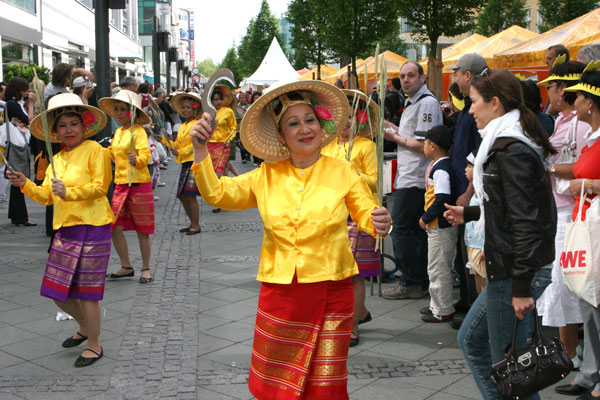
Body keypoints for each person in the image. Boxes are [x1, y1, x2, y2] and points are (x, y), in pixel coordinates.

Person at [190, 80, 392, 399]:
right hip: (281, 292)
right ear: (281, 135)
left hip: (332, 290)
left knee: (325, 386)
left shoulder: (343, 171)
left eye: (310, 119)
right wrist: (200, 151)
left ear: (321, 123)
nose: (304, 129)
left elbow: (366, 211)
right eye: (293, 123)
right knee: (278, 385)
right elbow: (217, 194)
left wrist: (378, 221)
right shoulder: (265, 175)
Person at [444, 69, 557, 400]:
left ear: (494, 104)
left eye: (474, 102)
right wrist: (471, 212)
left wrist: (521, 286)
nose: (470, 110)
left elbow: (526, 220)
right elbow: (512, 207)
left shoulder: (510, 148)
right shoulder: (506, 141)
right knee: (484, 349)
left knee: (511, 368)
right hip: (509, 268)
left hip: (513, 272)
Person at [7, 93, 111, 367]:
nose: (68, 130)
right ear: (55, 131)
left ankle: (94, 344)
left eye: (73, 124)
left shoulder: (95, 151)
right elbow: (46, 196)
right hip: (65, 230)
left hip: (93, 226)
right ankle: (86, 326)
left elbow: (100, 187)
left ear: (84, 125)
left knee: (86, 292)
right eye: (62, 125)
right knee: (56, 291)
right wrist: (25, 183)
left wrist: (70, 190)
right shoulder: (56, 159)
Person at [536, 60, 588, 370]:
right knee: (560, 282)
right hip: (560, 209)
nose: (550, 92)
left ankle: (571, 352)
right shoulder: (560, 121)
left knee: (564, 282)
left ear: (563, 90)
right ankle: (568, 350)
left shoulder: (580, 126)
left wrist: (549, 167)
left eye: (552, 87)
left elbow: (583, 168)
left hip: (572, 212)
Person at [555, 65, 600, 400]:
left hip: (595, 226)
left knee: (595, 302)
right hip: (585, 226)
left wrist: (585, 183)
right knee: (587, 300)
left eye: (581, 96)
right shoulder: (591, 138)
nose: (575, 100)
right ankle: (589, 372)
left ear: (592, 103)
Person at [321, 89, 379, 346]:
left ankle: (353, 325)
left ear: (360, 119)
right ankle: (360, 312)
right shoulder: (328, 147)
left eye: (350, 117)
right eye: (340, 117)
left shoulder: (367, 146)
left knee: (354, 274)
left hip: (357, 215)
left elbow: (376, 182)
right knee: (334, 273)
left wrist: (351, 172)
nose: (345, 122)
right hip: (331, 216)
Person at [383, 61, 443, 300]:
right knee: (412, 230)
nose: (406, 80)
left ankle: (412, 280)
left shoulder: (426, 103)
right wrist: (391, 128)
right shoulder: (413, 102)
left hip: (417, 177)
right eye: (403, 76)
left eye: (411, 76)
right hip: (410, 176)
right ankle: (417, 278)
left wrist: (396, 137)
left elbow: (425, 143)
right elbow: (410, 135)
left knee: (401, 228)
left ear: (422, 77)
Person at [446, 53, 487, 320]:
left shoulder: (479, 108)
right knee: (466, 255)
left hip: (472, 194)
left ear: (468, 75)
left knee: (475, 257)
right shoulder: (466, 107)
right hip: (464, 188)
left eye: (456, 72)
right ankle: (468, 303)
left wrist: (468, 191)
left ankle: (476, 308)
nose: (453, 77)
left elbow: (479, 153)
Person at [99, 90, 154, 284]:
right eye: (116, 109)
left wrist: (137, 159)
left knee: (143, 230)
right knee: (114, 227)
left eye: (123, 109)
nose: (119, 113)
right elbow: (111, 154)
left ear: (133, 113)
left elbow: (146, 156)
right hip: (121, 184)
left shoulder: (138, 131)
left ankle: (146, 268)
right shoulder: (118, 132)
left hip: (139, 184)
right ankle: (126, 265)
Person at [417, 125, 458, 323]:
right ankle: (436, 305)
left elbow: (442, 198)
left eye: (424, 142)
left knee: (438, 267)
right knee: (436, 265)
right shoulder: (442, 165)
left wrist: (426, 217)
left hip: (440, 225)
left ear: (432, 146)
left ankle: (442, 309)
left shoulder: (441, 168)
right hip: (439, 225)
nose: (423, 146)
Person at [168, 91, 203, 235]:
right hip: (185, 163)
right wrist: (164, 140)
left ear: (194, 109)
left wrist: (180, 152)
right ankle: (192, 223)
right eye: (183, 107)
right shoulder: (183, 126)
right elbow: (177, 144)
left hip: (194, 162)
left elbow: (196, 143)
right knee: (182, 195)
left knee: (190, 195)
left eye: (189, 107)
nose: (185, 110)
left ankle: (196, 225)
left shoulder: (197, 124)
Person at [3, 77, 36, 226]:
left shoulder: (14, 104)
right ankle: (20, 217)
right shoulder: (13, 104)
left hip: (18, 144)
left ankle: (17, 216)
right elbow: (28, 120)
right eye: (25, 89)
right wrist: (32, 104)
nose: (27, 93)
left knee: (17, 180)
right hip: (16, 145)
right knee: (19, 180)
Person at [206, 85, 237, 213]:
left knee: (219, 173)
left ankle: (219, 201)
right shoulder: (208, 113)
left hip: (224, 145)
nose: (218, 102)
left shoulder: (228, 112)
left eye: (219, 99)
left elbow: (233, 127)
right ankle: (226, 196)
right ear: (211, 101)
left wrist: (228, 139)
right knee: (215, 173)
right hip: (210, 145)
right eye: (215, 100)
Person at [463, 152, 486, 294]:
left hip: (481, 247)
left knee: (484, 282)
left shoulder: (485, 193)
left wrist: (485, 246)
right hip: (472, 244)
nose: (465, 169)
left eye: (469, 166)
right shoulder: (475, 191)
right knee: (478, 281)